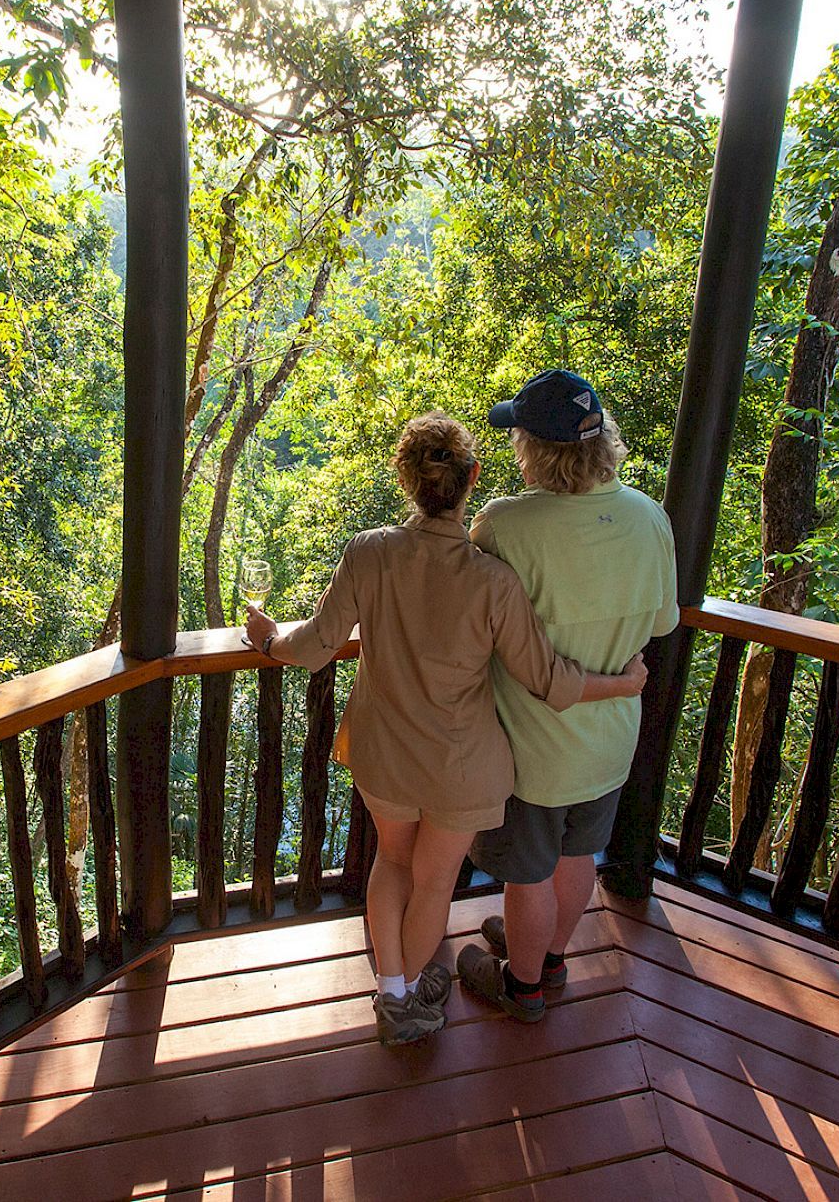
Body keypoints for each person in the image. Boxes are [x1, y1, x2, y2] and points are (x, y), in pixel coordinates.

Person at [245, 411, 647, 1046]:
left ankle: (394, 992)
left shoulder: (370, 553)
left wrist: (268, 638)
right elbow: (550, 681)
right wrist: (624, 685)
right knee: (435, 882)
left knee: (391, 864)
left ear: (405, 482)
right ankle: (409, 996)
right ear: (472, 479)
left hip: (385, 751)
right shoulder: (494, 580)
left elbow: (318, 644)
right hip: (463, 767)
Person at [457, 370, 680, 1021]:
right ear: (601, 437)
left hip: (534, 747)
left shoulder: (507, 523)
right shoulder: (649, 517)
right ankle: (551, 955)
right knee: (578, 853)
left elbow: (470, 619)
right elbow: (661, 624)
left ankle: (522, 986)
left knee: (526, 874)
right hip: (611, 739)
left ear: (533, 448)